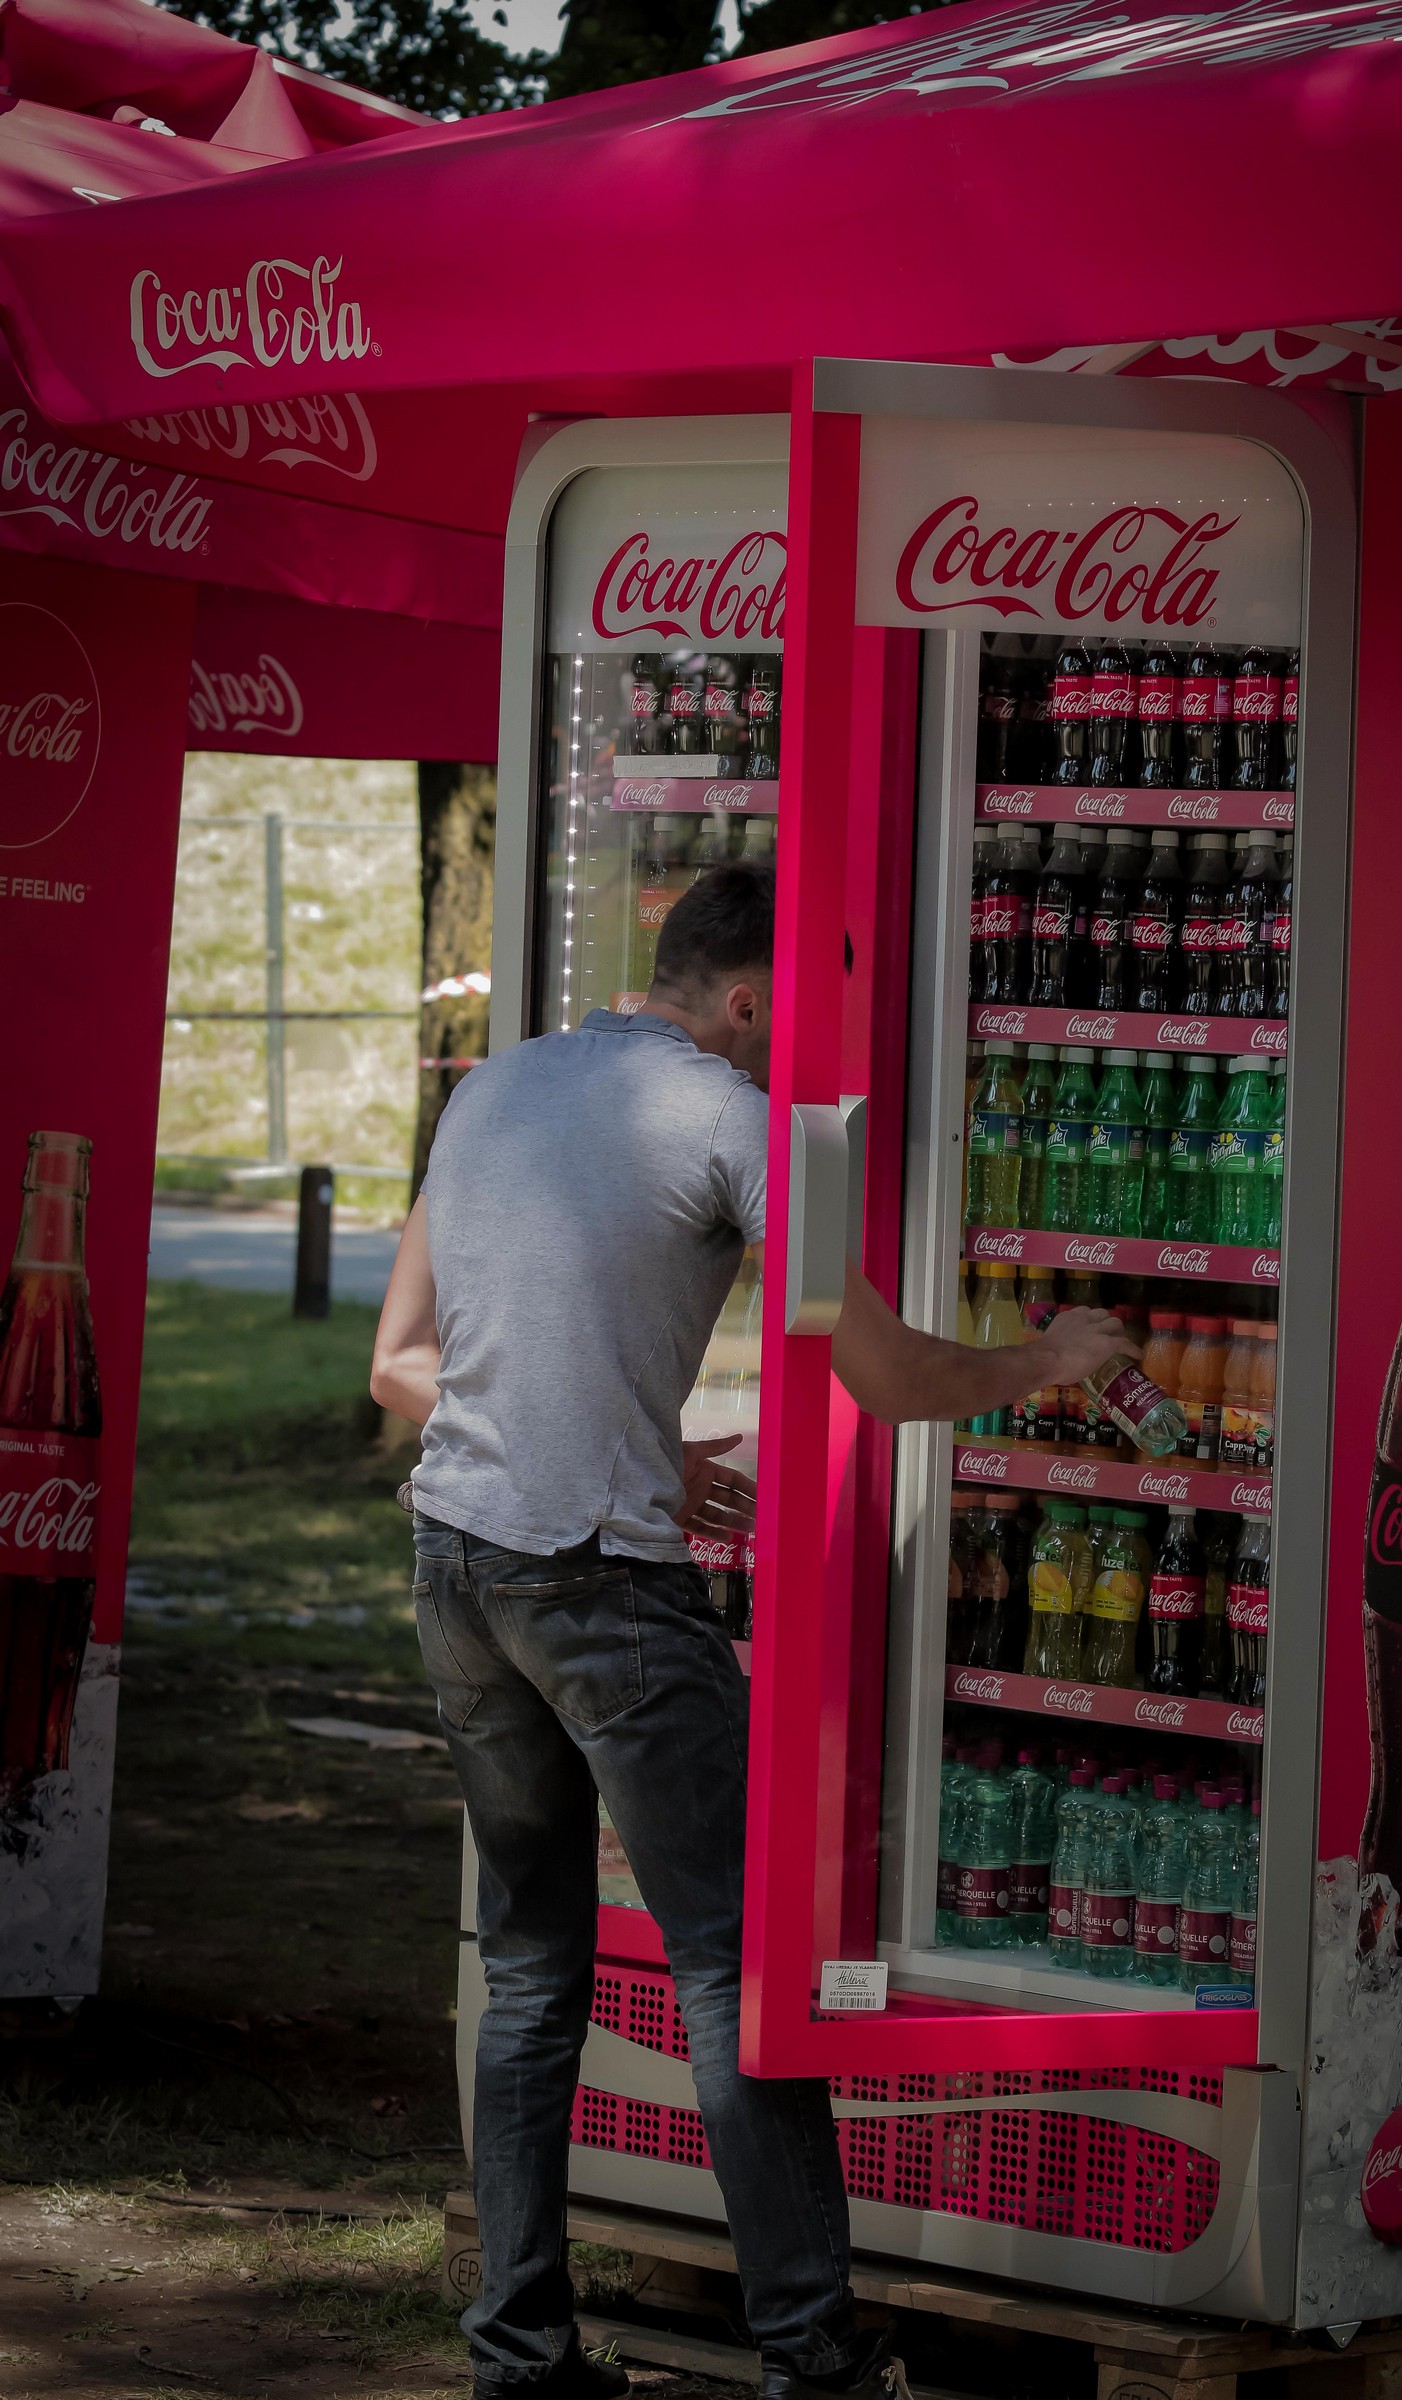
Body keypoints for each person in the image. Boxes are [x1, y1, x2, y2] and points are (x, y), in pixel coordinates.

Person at [371, 862, 1124, 2400]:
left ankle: (521, 2359)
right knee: (735, 1971)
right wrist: (1046, 1356)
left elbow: (402, 1363)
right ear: (744, 999)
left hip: (458, 1570)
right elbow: (888, 1379)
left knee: (531, 1975)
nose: (805, 1049)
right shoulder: (751, 1126)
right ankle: (812, 2356)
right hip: (603, 1591)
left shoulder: (493, 1088)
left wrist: (620, 1437)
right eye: (802, 1016)